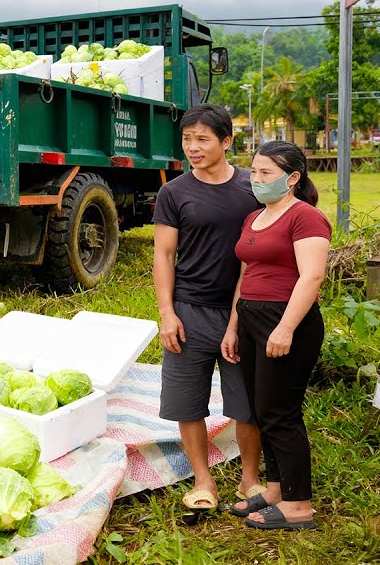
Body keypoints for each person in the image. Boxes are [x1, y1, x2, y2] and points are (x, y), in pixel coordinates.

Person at [152, 104, 264, 512]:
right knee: (187, 400)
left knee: (247, 402)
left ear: (226, 141)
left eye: (202, 139)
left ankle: (250, 478)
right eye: (187, 139)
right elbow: (164, 255)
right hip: (189, 309)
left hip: (244, 311)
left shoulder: (253, 187)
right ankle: (203, 479)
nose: (193, 147)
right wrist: (168, 313)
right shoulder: (173, 192)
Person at [222, 140, 330, 530]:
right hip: (251, 319)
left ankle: (298, 505)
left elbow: (312, 276)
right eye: (254, 171)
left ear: (292, 177)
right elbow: (246, 274)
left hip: (287, 320)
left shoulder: (306, 218)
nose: (257, 178)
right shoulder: (255, 217)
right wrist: (234, 326)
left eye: (266, 173)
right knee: (260, 409)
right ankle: (275, 488)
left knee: (280, 413)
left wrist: (285, 328)